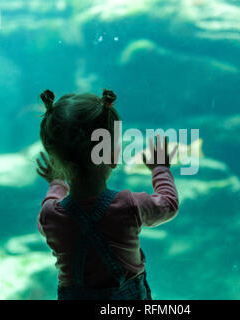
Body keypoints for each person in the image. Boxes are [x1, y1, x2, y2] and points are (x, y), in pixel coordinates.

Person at [36, 88, 179, 300]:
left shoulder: (50, 216)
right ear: (113, 156)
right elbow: (169, 203)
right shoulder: (130, 206)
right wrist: (160, 168)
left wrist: (56, 182)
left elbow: (50, 204)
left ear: (55, 158)